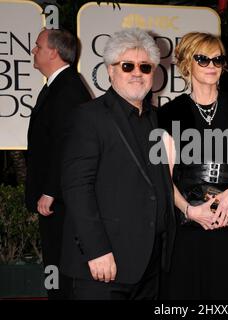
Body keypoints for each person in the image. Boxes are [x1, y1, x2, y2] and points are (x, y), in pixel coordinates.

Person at [60, 28, 175, 300]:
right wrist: (96, 250)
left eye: (145, 67)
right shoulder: (89, 117)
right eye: (127, 65)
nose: (138, 73)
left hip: (151, 265)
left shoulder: (158, 120)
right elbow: (77, 187)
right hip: (104, 265)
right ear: (110, 71)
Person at [157, 32, 228, 299]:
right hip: (188, 223)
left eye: (218, 59)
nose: (212, 65)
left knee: (226, 292)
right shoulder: (170, 113)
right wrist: (191, 211)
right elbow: (162, 177)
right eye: (203, 59)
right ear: (187, 62)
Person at [25, 28, 91, 299]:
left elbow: (67, 146)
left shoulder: (67, 89)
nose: (33, 50)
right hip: (58, 199)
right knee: (56, 264)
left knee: (61, 266)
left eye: (38, 45)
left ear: (53, 51)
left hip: (60, 200)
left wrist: (51, 191)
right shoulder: (59, 86)